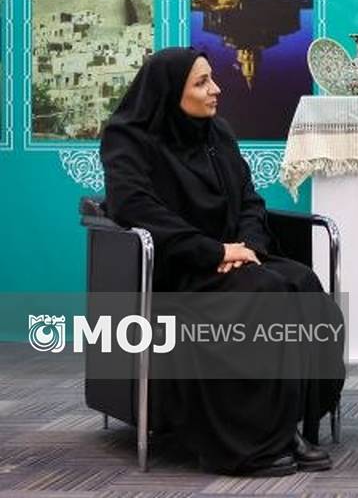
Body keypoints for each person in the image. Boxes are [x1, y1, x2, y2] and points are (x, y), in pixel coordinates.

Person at [100, 47, 344, 476]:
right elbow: (135, 208)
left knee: (302, 282)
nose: (216, 89)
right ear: (169, 94)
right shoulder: (129, 140)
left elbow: (249, 200)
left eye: (212, 78)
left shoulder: (217, 133)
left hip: (235, 259)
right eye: (201, 83)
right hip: (176, 269)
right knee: (265, 292)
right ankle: (254, 443)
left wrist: (246, 247)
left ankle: (289, 425)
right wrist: (214, 252)